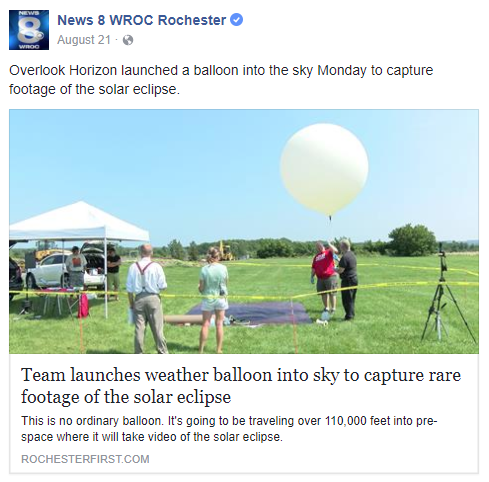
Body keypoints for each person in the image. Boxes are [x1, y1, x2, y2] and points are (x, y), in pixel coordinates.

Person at [126, 244, 168, 354]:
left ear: (140, 253)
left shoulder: (133, 267)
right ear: (152, 253)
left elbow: (129, 289)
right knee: (158, 329)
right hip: (153, 299)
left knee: (139, 330)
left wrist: (131, 304)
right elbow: (163, 286)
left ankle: (139, 354)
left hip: (138, 299)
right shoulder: (156, 266)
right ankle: (163, 352)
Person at [198, 247, 229, 354]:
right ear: (218, 256)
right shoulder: (224, 268)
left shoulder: (204, 269)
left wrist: (199, 288)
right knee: (219, 324)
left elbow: (201, 288)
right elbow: (226, 283)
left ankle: (201, 350)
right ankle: (218, 350)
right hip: (221, 298)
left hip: (208, 298)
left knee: (205, 324)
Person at [311, 241, 339, 316]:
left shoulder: (328, 252)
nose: (317, 247)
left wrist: (330, 244)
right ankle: (326, 307)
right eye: (316, 246)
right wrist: (312, 276)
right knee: (323, 293)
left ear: (322, 245)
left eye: (318, 245)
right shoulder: (316, 257)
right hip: (320, 278)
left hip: (330, 276)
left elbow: (336, 251)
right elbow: (314, 267)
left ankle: (333, 308)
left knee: (332, 293)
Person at [337, 239, 358, 321]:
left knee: (347, 299)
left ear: (343, 247)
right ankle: (351, 314)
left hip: (348, 281)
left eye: (340, 246)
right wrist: (339, 261)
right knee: (352, 298)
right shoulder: (352, 254)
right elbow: (347, 264)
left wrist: (333, 269)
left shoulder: (344, 257)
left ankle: (348, 316)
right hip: (354, 279)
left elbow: (341, 270)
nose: (339, 248)